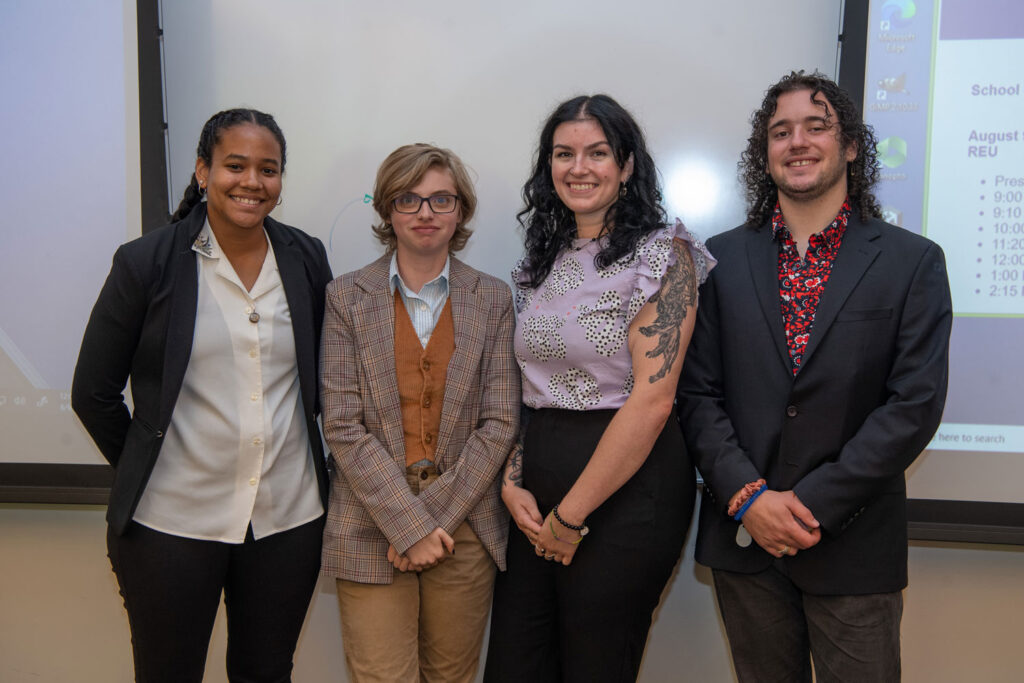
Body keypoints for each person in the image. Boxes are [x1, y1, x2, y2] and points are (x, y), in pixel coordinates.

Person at [677, 71, 953, 682]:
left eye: (816, 125)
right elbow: (696, 394)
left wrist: (807, 506)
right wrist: (750, 499)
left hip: (853, 544)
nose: (797, 141)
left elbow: (914, 405)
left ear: (851, 145)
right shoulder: (718, 261)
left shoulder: (913, 262)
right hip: (744, 540)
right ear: (765, 153)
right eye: (781, 131)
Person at [71, 108, 332, 683]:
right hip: (170, 524)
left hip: (287, 520)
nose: (252, 182)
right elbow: (92, 393)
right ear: (201, 171)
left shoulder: (305, 256)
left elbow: (326, 378)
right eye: (234, 165)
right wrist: (152, 461)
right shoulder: (147, 263)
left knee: (266, 673)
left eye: (268, 169)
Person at [484, 94, 715, 683]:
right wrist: (513, 481)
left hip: (627, 491)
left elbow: (653, 400)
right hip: (538, 485)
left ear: (628, 165)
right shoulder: (545, 257)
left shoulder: (665, 253)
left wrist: (572, 516)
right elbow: (531, 387)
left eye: (597, 153)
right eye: (564, 154)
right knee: (516, 664)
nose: (578, 168)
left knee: (595, 666)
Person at [319, 143, 520, 683]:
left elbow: (500, 421)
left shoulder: (495, 298)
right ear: (387, 210)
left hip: (465, 529)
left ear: (461, 211)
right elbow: (341, 423)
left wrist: (432, 522)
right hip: (367, 526)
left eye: (440, 200)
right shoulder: (344, 298)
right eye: (409, 199)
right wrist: (409, 527)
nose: (425, 213)